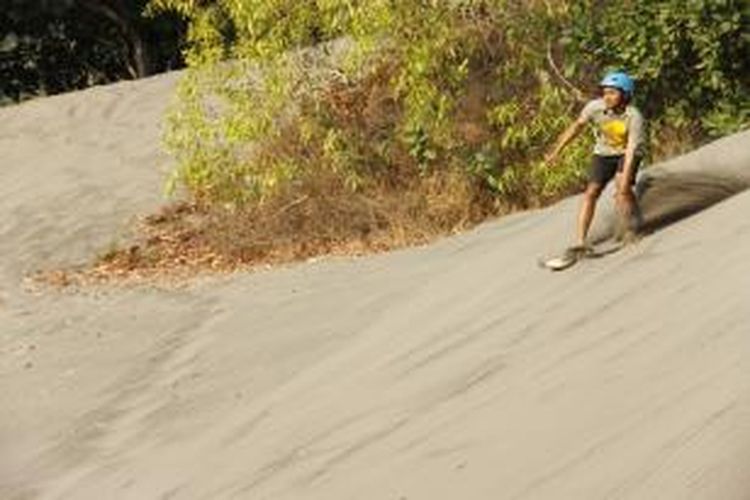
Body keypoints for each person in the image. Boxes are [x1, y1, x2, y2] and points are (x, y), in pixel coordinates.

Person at [545, 70, 646, 257]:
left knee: (622, 190)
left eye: (612, 93)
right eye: (605, 92)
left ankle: (631, 228)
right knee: (591, 193)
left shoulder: (634, 116)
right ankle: (580, 242)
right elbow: (576, 127)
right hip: (603, 153)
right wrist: (556, 151)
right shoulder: (594, 108)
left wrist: (624, 182)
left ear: (625, 95)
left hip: (628, 153)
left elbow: (631, 150)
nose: (607, 97)